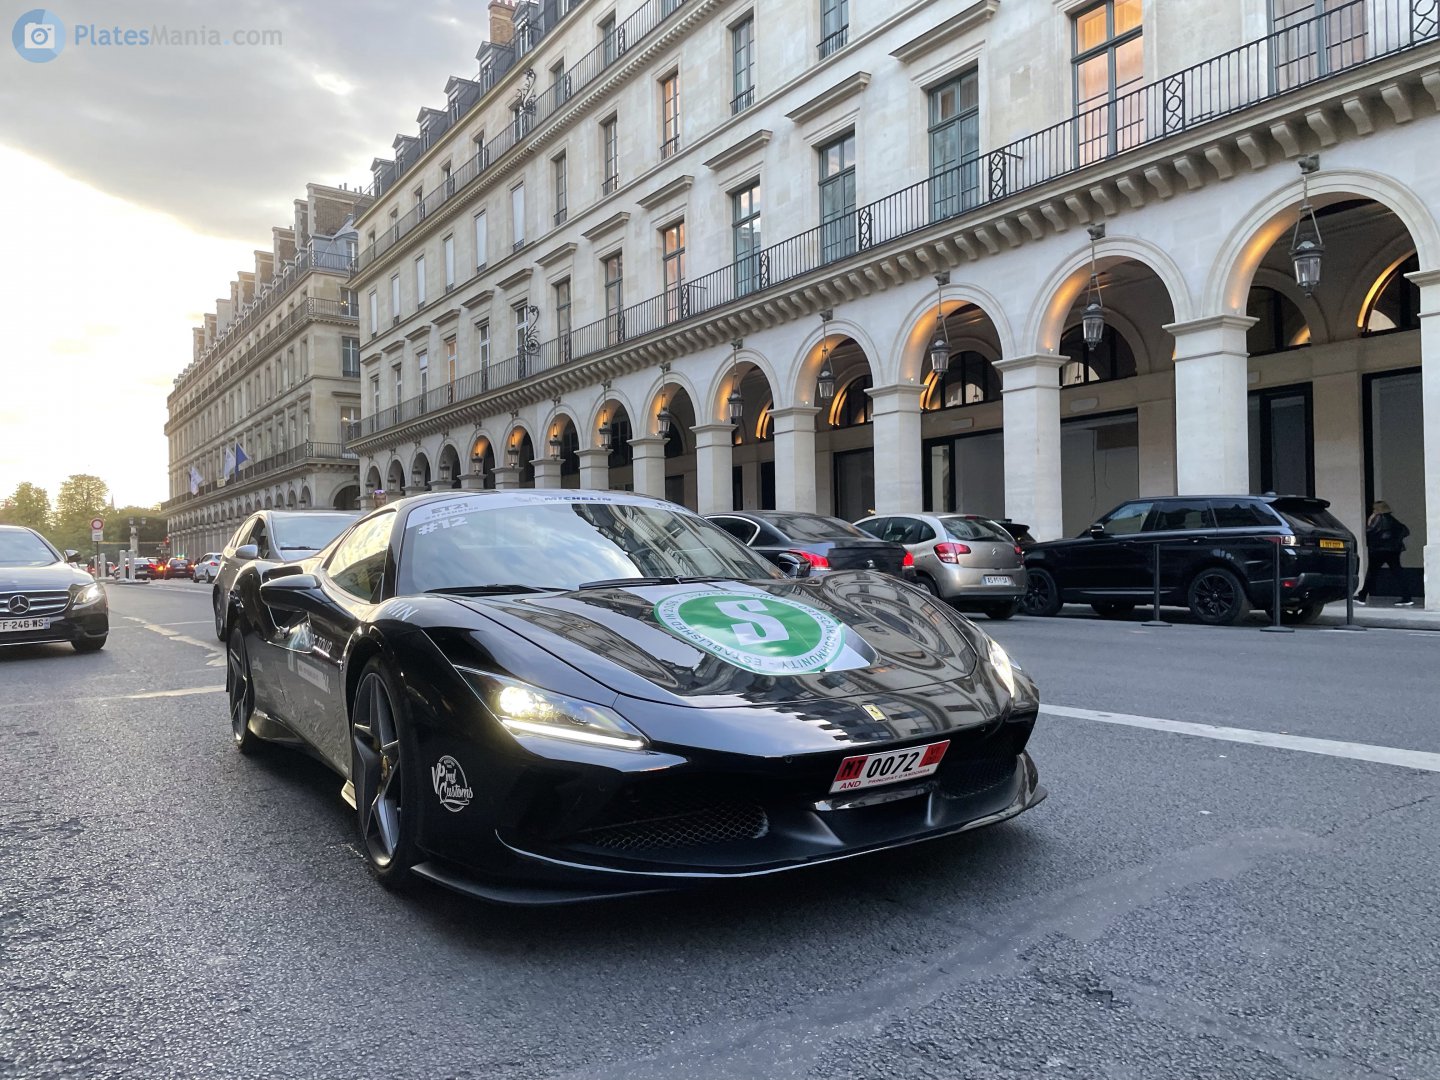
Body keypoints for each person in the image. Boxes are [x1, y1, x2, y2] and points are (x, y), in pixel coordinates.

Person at [1355, 500, 1413, 606]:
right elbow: (1405, 531)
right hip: (1393, 550)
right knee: (1398, 572)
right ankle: (1407, 596)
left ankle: (1362, 596)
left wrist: (1370, 520)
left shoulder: (1377, 518)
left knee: (1372, 573)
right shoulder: (1393, 520)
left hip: (1379, 550)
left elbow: (1369, 532)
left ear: (1377, 509)